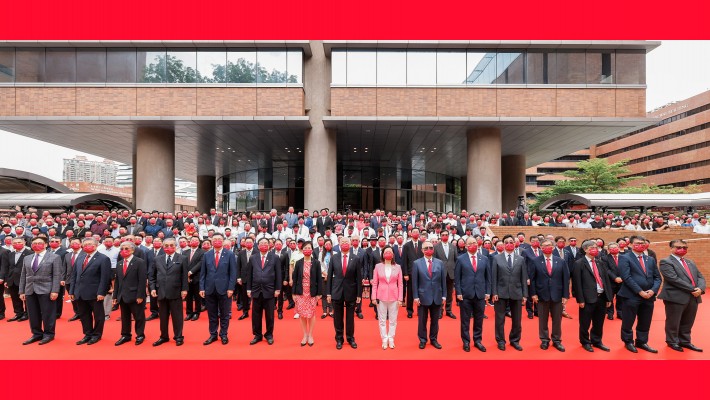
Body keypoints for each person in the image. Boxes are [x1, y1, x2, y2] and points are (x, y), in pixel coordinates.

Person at [658, 239, 705, 352]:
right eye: (678, 247)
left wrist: (700, 288)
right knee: (673, 321)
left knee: (688, 321)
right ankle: (672, 341)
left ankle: (685, 341)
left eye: (684, 247)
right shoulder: (666, 261)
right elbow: (674, 279)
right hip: (675, 296)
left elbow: (700, 277)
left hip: (693, 296)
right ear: (671, 248)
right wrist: (694, 289)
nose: (682, 249)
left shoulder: (690, 262)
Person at [618, 235, 661, 353]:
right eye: (637, 243)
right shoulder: (624, 258)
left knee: (645, 320)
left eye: (643, 243)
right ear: (630, 245)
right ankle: (628, 341)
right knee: (628, 320)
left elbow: (657, 278)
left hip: (649, 296)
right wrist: (640, 291)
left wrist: (652, 291)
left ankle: (642, 342)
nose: (640, 245)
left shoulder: (650, 259)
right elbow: (626, 277)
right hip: (632, 295)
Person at [18, 237, 63, 345]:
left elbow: (57, 275)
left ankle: (49, 334)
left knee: (48, 314)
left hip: (47, 289)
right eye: (34, 243)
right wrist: (21, 291)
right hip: (30, 289)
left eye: (39, 243)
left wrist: (55, 290)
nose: (36, 245)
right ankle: (36, 333)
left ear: (46, 244)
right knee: (33, 314)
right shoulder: (27, 258)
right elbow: (23, 275)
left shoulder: (54, 257)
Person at [69, 238, 112, 345]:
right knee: (84, 315)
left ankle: (96, 335)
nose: (87, 246)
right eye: (86, 244)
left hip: (95, 293)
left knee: (98, 316)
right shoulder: (80, 257)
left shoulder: (103, 258)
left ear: (96, 245)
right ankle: (87, 334)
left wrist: (101, 292)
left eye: (90, 244)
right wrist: (72, 291)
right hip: (79, 292)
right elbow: (74, 275)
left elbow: (105, 278)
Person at [572, 240, 613, 352]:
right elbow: (577, 283)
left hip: (601, 297)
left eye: (596, 247)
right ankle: (585, 341)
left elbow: (606, 280)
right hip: (587, 298)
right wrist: (580, 299)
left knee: (599, 322)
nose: (595, 249)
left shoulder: (600, 263)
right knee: (585, 322)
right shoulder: (579, 263)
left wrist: (609, 297)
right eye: (592, 247)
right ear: (585, 249)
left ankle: (597, 340)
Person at [530, 239, 570, 352]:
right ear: (541, 248)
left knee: (557, 319)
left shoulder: (561, 261)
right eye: (544, 246)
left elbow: (565, 279)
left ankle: (557, 340)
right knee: (543, 319)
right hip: (542, 295)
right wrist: (533, 293)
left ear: (553, 247)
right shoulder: (535, 261)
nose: (546, 247)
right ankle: (544, 340)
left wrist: (566, 295)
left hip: (557, 295)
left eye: (549, 245)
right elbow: (532, 279)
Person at [490, 234, 528, 351]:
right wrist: (494, 292)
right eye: (507, 242)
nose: (509, 244)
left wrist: (524, 294)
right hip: (500, 292)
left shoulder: (520, 259)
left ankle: (515, 340)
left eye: (511, 242)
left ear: (515, 244)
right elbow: (494, 277)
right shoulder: (496, 258)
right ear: (503, 244)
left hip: (516, 292)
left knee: (517, 319)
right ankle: (500, 340)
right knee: (500, 319)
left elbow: (523, 277)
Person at [149, 238, 188, 346]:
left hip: (176, 292)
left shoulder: (182, 258)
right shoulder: (157, 259)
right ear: (163, 246)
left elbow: (184, 276)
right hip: (161, 291)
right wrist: (152, 288)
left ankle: (178, 336)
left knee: (177, 317)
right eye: (166, 245)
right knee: (163, 317)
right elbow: (152, 276)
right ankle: (164, 336)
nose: (168, 247)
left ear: (176, 246)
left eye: (171, 245)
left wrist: (184, 289)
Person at [455, 237, 491, 352]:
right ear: (466, 246)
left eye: (474, 243)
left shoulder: (484, 258)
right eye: (470, 243)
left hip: (480, 294)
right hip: (465, 294)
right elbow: (457, 278)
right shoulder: (460, 259)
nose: (473, 245)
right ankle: (466, 341)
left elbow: (488, 277)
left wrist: (487, 292)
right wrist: (459, 292)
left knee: (479, 319)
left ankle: (477, 340)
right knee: (465, 320)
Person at [200, 233, 237, 345]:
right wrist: (201, 288)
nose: (217, 241)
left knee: (225, 314)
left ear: (223, 241)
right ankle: (213, 334)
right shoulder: (207, 255)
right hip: (209, 288)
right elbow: (203, 273)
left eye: (219, 239)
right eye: (215, 239)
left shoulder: (230, 254)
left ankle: (224, 334)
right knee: (212, 314)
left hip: (225, 289)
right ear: (211, 241)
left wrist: (231, 288)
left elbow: (233, 273)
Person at [326, 236, 362, 350]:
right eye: (343, 242)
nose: (345, 244)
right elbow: (329, 277)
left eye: (347, 242)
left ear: (350, 244)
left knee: (350, 317)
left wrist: (359, 295)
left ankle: (350, 338)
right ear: (339, 244)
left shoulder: (355, 258)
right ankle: (339, 338)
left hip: (351, 291)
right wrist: (328, 293)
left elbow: (358, 278)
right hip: (337, 291)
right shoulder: (334, 258)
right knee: (337, 317)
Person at [246, 238, 282, 345]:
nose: (263, 245)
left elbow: (278, 274)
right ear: (257, 246)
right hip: (256, 290)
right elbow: (249, 275)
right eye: (261, 243)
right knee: (256, 315)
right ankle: (257, 335)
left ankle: (269, 334)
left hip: (270, 290)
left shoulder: (274, 257)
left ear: (270, 245)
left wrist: (277, 288)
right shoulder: (253, 258)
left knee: (270, 315)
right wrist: (248, 289)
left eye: (266, 243)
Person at [412, 240, 447, 350]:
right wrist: (416, 297)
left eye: (431, 247)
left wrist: (444, 295)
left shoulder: (439, 263)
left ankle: (434, 339)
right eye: (426, 248)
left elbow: (443, 281)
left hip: (437, 296)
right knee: (422, 320)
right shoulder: (416, 263)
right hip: (422, 297)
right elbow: (415, 282)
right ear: (422, 250)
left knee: (435, 320)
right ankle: (422, 339)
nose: (428, 250)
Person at [112, 241, 147, 346]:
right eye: (122, 249)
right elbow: (117, 281)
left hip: (136, 295)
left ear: (132, 250)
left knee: (139, 316)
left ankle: (140, 335)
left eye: (126, 249)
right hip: (122, 295)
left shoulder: (139, 262)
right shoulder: (119, 263)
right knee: (125, 317)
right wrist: (115, 296)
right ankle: (125, 335)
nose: (124, 251)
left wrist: (141, 295)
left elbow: (142, 280)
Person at [292, 241, 324, 346]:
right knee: (302, 314)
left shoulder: (316, 263)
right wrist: (293, 293)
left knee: (311, 314)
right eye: (305, 248)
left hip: (312, 292)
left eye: (309, 248)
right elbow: (295, 278)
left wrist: (320, 293)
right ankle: (304, 334)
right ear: (302, 249)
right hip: (301, 292)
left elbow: (319, 278)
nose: (307, 249)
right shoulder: (298, 262)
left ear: (312, 249)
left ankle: (310, 334)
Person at [371, 246, 403, 349]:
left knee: (393, 320)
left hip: (394, 296)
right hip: (381, 296)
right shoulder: (378, 266)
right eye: (386, 251)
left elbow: (401, 284)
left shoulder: (398, 267)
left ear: (393, 254)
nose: (388, 253)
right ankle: (384, 339)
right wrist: (373, 297)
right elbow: (375, 283)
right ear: (383, 254)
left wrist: (400, 298)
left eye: (390, 251)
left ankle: (391, 338)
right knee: (382, 319)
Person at [2, 237, 33, 322]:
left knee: (26, 297)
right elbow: (7, 267)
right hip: (12, 279)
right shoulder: (10, 254)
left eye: (19, 242)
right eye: (14, 243)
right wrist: (6, 280)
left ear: (24, 243)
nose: (17, 244)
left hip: (25, 279)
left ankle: (27, 314)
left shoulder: (30, 253)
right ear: (12, 244)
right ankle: (18, 313)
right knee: (15, 298)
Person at [434, 230, 457, 319]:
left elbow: (455, 260)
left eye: (446, 235)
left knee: (449, 293)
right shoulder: (436, 247)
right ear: (440, 236)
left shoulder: (453, 247)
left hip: (450, 273)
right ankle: (440, 310)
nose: (445, 236)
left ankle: (449, 310)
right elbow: (434, 260)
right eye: (443, 235)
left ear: (449, 236)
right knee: (440, 292)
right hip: (440, 273)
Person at [402, 227, 423, 318]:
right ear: (411, 234)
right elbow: (404, 261)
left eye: (417, 232)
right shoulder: (406, 245)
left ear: (419, 234)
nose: (415, 233)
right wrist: (405, 273)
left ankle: (420, 310)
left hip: (422, 272)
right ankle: (409, 310)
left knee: (421, 291)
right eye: (413, 232)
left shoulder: (422, 244)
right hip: (410, 273)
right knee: (410, 293)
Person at [184, 237, 205, 321]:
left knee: (197, 297)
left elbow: (201, 263)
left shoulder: (202, 252)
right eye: (192, 240)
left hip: (197, 277)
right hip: (186, 278)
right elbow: (183, 263)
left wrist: (191, 272)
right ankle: (189, 313)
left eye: (196, 241)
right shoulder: (185, 252)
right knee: (188, 297)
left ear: (199, 242)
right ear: (189, 242)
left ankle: (196, 313)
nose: (194, 242)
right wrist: (186, 274)